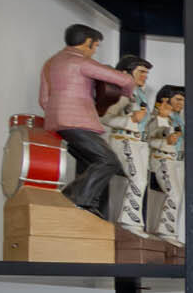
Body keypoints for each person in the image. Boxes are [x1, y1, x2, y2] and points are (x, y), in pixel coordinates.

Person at [37, 23, 132, 222]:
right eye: (95, 46)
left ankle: (87, 210)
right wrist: (124, 97)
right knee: (108, 161)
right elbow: (125, 81)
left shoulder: (50, 63)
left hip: (57, 122)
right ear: (88, 42)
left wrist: (58, 113)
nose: (94, 50)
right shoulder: (81, 62)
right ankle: (74, 198)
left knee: (90, 164)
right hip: (78, 122)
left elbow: (44, 100)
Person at [100, 53, 154, 234]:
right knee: (137, 179)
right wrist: (130, 120)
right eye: (141, 71)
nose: (144, 76)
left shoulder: (140, 95)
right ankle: (129, 221)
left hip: (140, 142)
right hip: (125, 140)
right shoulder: (122, 93)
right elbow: (105, 117)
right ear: (125, 72)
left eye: (146, 73)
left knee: (142, 181)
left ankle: (131, 219)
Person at [147, 85, 186, 246]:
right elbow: (149, 137)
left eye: (183, 100)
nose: (181, 103)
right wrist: (165, 141)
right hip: (162, 158)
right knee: (173, 194)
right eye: (178, 99)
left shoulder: (179, 119)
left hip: (178, 160)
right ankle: (165, 231)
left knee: (177, 197)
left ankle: (170, 231)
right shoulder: (158, 116)